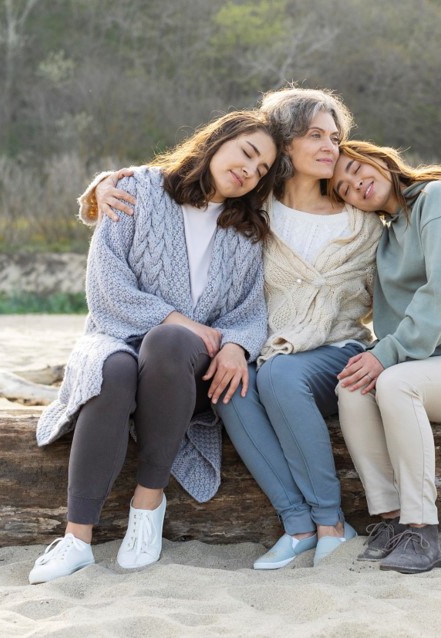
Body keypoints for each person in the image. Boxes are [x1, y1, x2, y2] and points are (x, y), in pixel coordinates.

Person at [87, 87, 381, 569]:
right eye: (315, 135)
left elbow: (412, 247)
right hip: (264, 350)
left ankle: (331, 521)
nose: (331, 146)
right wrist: (100, 187)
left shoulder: (360, 216)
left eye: (335, 136)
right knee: (230, 387)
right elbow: (178, 197)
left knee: (277, 376)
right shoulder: (251, 211)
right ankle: (298, 525)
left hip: (334, 350)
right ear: (284, 144)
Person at [28, 110, 276, 584]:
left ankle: (148, 504)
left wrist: (237, 347)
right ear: (217, 140)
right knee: (112, 369)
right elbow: (106, 284)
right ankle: (77, 539)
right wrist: (175, 316)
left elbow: (248, 313)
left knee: (166, 341)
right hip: (114, 333)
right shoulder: (138, 189)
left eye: (262, 169)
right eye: (247, 153)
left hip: (186, 366)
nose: (250, 170)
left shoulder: (246, 232)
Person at [330, 140, 441, 575]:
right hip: (423, 368)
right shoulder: (387, 239)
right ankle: (390, 522)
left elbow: (439, 294)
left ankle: (421, 530)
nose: (356, 184)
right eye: (344, 188)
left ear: (379, 157)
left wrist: (385, 354)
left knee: (392, 380)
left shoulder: (437, 197)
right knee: (351, 388)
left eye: (355, 168)